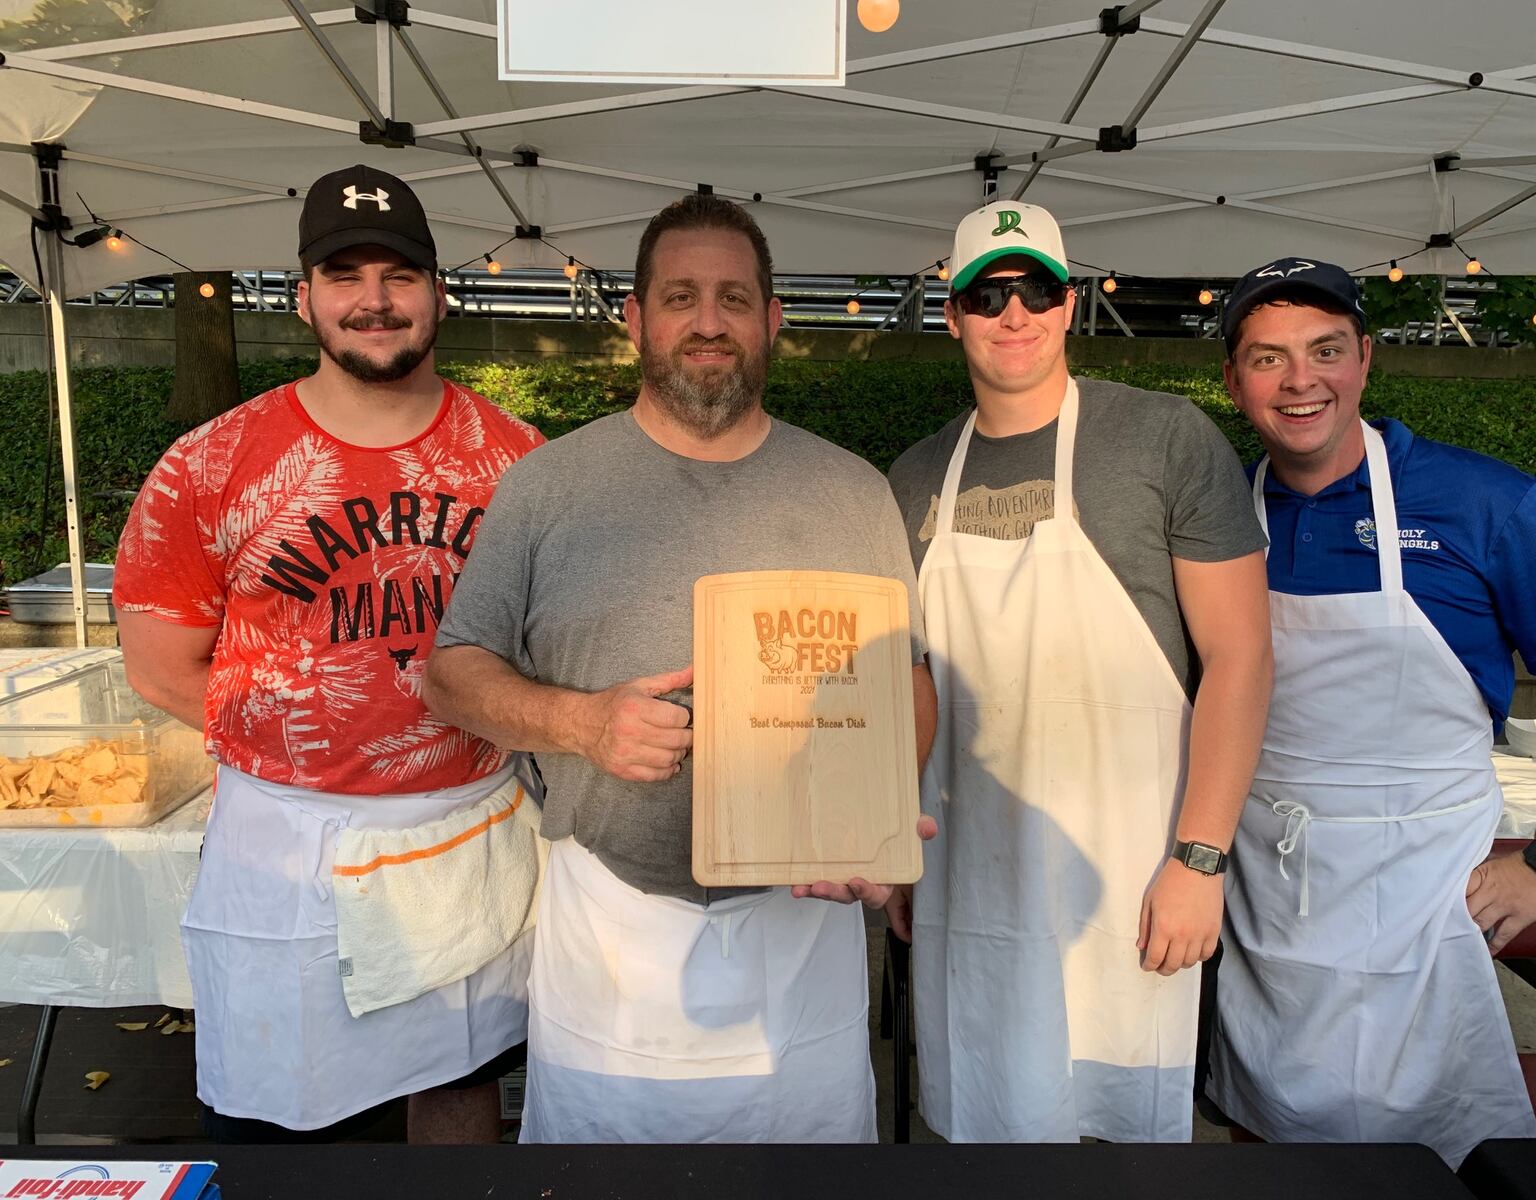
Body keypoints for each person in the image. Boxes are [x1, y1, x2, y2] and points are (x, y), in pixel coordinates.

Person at [422, 192, 937, 1144]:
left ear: (774, 320)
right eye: (682, 297)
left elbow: (905, 682)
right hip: (613, 929)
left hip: (804, 927)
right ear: (636, 320)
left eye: (735, 299)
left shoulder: (850, 490)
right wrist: (581, 724)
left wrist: (877, 814)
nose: (709, 322)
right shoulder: (548, 485)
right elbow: (449, 672)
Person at [113, 165, 546, 1144]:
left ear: (438, 292)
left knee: (457, 1089)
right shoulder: (212, 464)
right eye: (343, 275)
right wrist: (313, 746)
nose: (374, 300)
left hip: (463, 826)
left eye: (399, 274)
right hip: (291, 847)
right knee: (288, 1120)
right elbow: (158, 664)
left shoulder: (518, 461)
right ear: (304, 294)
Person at [886, 200, 1273, 1143]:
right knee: (983, 1122)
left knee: (1120, 1133)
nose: (1013, 313)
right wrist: (892, 836)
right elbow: (911, 679)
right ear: (954, 315)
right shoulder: (913, 477)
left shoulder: (1164, 439)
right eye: (988, 294)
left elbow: (1241, 658)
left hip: (1136, 871)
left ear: (1070, 304)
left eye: (1037, 290)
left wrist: (1200, 859)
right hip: (970, 874)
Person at [1206, 257, 1536, 1167]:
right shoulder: (1216, 518)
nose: (1300, 381)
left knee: (1437, 1159)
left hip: (1429, 898)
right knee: (1274, 1143)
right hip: (1267, 898)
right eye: (1267, 357)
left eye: (1325, 350)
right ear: (1232, 378)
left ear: (1366, 357)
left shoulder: (1493, 505)